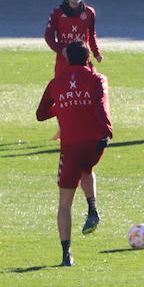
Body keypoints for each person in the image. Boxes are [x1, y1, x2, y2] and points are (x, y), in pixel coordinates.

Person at [36, 41, 112, 267]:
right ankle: (92, 208)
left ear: (67, 58)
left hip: (70, 147)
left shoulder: (56, 83)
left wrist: (62, 105)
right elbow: (101, 106)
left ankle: (66, 253)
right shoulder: (97, 79)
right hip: (94, 144)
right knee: (87, 168)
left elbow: (40, 114)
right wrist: (106, 133)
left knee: (65, 203)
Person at [44, 0, 103, 75]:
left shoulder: (89, 12)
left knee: (91, 85)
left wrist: (96, 53)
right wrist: (62, 50)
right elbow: (48, 36)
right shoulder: (57, 13)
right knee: (62, 88)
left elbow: (92, 35)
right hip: (64, 61)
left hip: (84, 59)